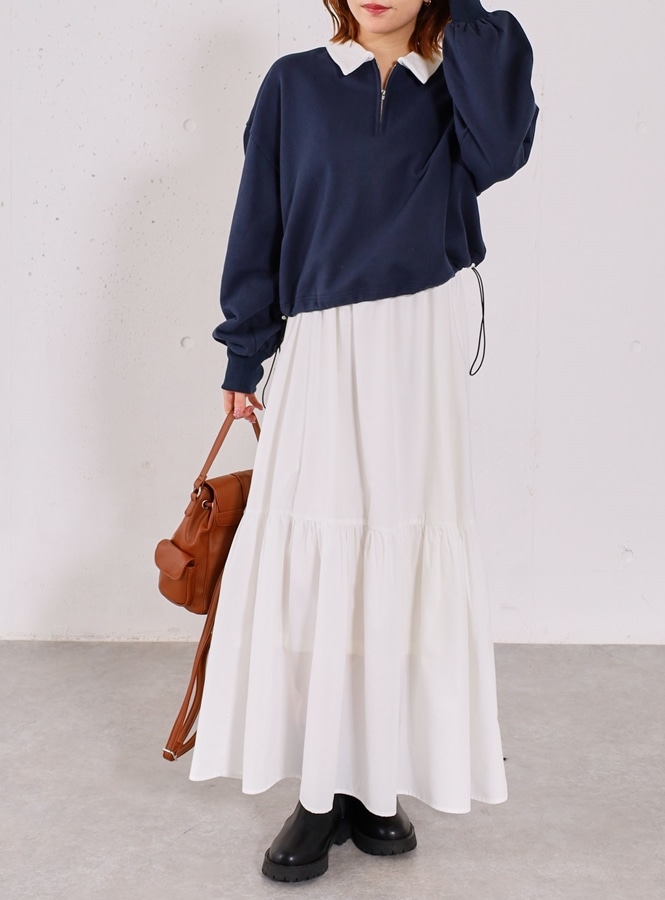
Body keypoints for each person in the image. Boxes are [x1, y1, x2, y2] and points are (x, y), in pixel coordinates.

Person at [188, 0, 539, 884]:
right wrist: (244, 350)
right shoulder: (295, 85)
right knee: (321, 547)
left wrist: (461, 24)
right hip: (321, 342)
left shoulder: (459, 80)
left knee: (402, 545)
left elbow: (503, 150)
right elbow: (259, 217)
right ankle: (321, 789)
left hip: (418, 343)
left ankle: (375, 781)